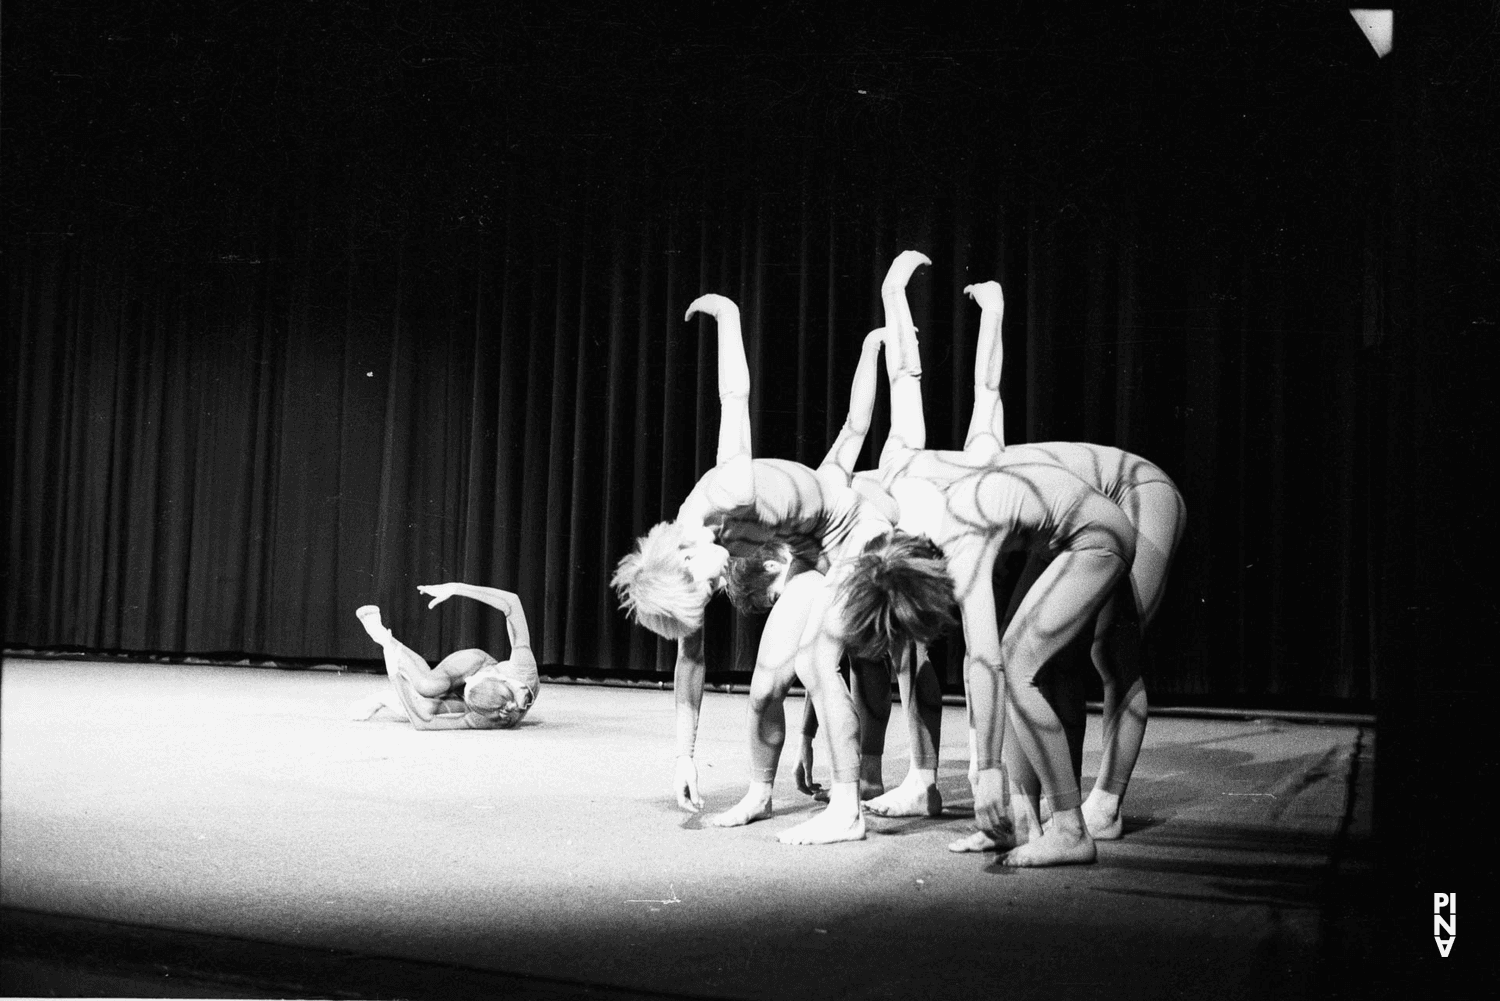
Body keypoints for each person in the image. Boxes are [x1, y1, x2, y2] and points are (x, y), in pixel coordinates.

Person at [830, 255, 1150, 867]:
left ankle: (1069, 829)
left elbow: (983, 660)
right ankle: (1025, 822)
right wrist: (900, 294)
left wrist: (985, 773)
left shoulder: (959, 532)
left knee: (1019, 663)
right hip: (1078, 533)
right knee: (1021, 659)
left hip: (1101, 536)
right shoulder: (911, 464)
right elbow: (940, 380)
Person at [612, 290, 897, 845]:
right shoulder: (691, 559)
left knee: (818, 662)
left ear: (687, 554)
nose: (720, 585)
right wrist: (683, 758)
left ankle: (847, 809)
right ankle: (759, 795)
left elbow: (734, 396)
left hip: (859, 538)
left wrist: (728, 316)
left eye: (709, 582)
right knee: (765, 685)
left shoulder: (729, 490)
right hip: (815, 556)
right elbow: (689, 660)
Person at [351, 582, 539, 730]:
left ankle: (383, 694)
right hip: (477, 663)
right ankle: (383, 636)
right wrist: (456, 588)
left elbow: (423, 723)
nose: (467, 680)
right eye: (475, 681)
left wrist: (394, 674)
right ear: (501, 678)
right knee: (429, 685)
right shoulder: (523, 668)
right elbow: (512, 602)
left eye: (469, 685)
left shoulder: (487, 718)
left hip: (480, 697)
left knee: (425, 703)